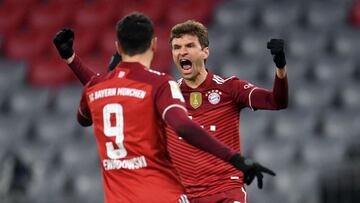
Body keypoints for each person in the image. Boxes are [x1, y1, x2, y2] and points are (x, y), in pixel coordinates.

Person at [54, 13, 275, 203]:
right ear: (154, 44)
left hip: (124, 195)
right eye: (177, 47)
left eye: (189, 46)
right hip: (166, 193)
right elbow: (183, 126)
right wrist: (236, 159)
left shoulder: (97, 88)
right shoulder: (161, 85)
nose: (182, 52)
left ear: (118, 47)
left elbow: (90, 105)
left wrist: (72, 60)